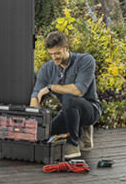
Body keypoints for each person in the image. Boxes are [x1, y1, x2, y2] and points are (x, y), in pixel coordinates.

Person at [30, 31, 101, 160]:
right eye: (51, 54)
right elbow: (36, 94)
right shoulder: (47, 69)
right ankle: (80, 131)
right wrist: (34, 119)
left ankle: (73, 144)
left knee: (69, 97)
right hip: (68, 112)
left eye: (57, 53)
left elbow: (78, 90)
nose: (54, 57)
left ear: (66, 48)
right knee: (47, 133)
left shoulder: (85, 60)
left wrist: (52, 87)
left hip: (90, 110)